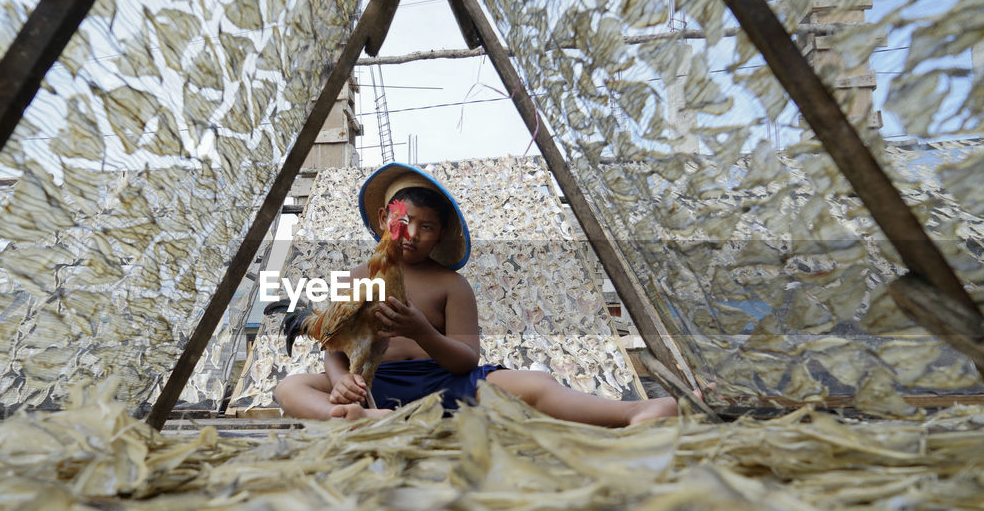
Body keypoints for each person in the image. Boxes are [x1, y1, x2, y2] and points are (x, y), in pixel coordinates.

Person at [273, 162, 682, 426]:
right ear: (384, 219)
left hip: (446, 384)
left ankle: (635, 411)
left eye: (427, 226)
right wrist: (343, 382)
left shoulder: (452, 285)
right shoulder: (355, 278)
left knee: (536, 382)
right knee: (290, 387)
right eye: (404, 220)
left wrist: (422, 331)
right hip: (374, 387)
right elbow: (335, 347)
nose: (413, 234)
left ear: (441, 234)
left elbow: (467, 359)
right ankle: (351, 416)